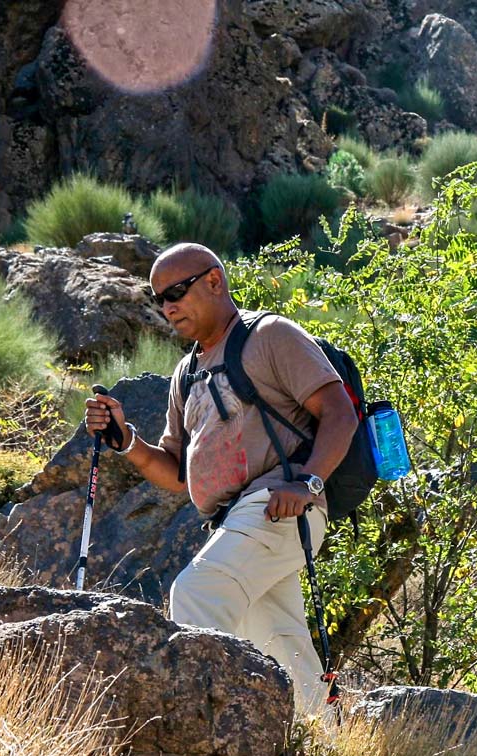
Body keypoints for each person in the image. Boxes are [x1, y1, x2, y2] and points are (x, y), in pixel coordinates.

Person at [86, 243, 359, 715]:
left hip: (279, 505)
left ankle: (200, 725)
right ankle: (324, 748)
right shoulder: (186, 373)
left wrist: (309, 483)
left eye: (176, 291)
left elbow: (340, 413)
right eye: (159, 299)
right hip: (237, 521)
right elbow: (175, 472)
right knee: (282, 644)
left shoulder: (270, 335)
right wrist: (126, 440)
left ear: (215, 281)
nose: (168, 306)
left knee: (196, 594)